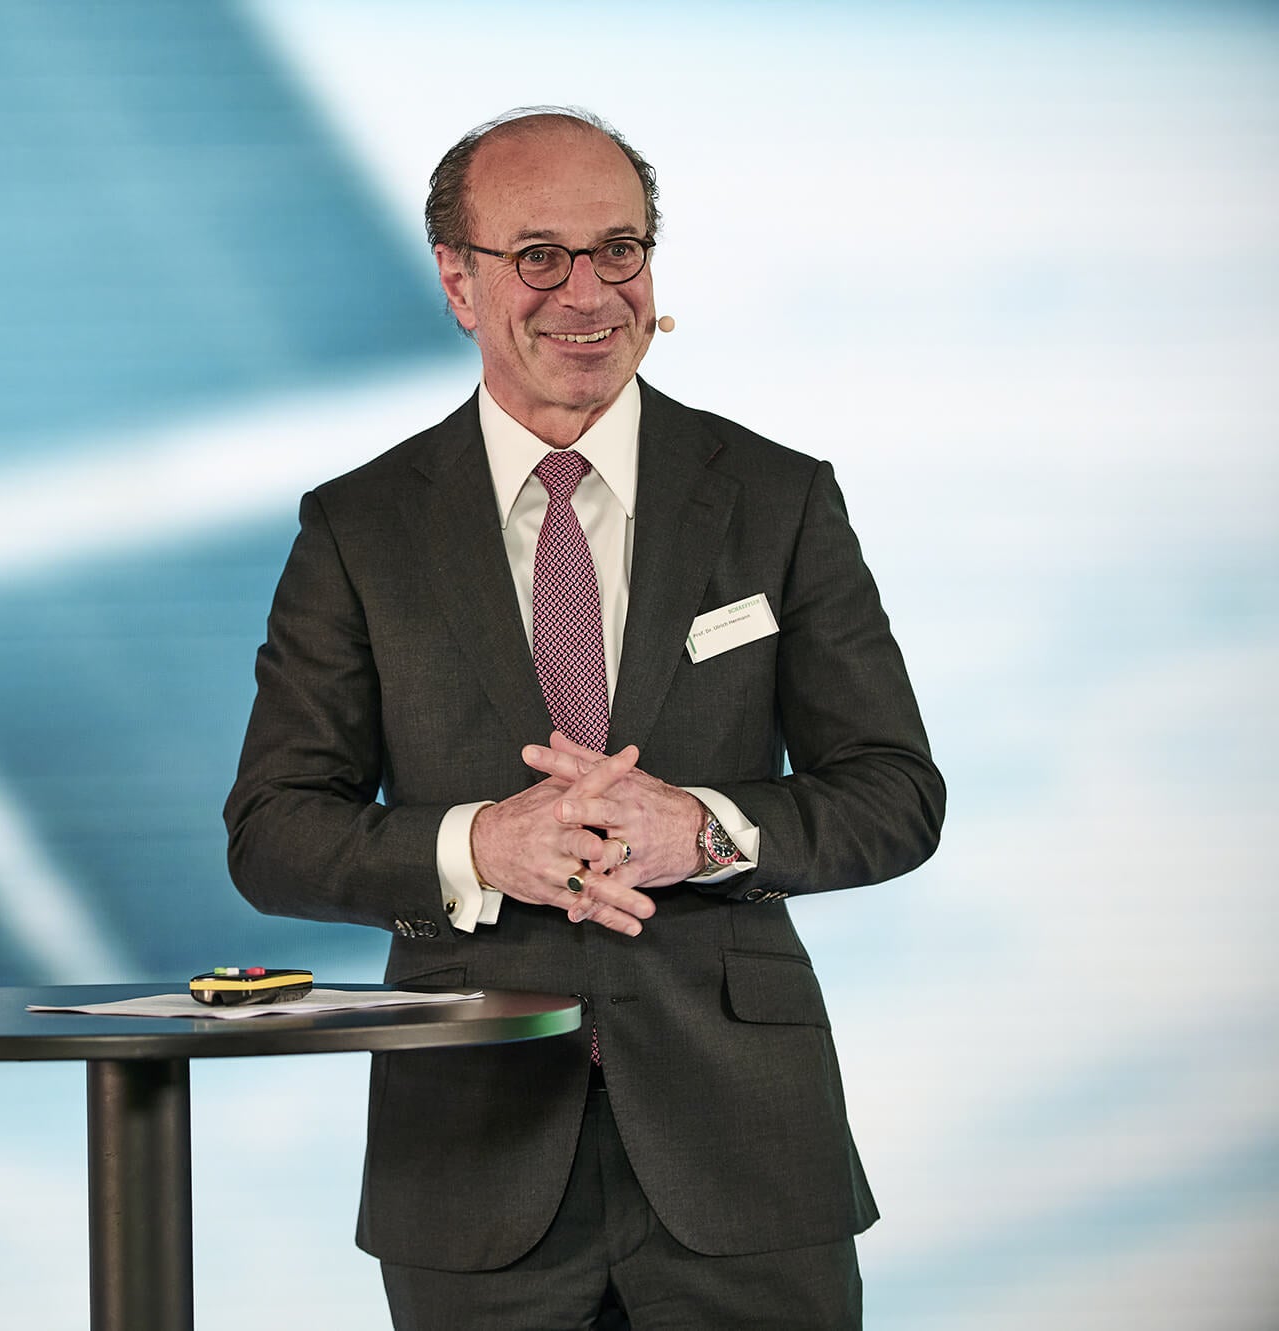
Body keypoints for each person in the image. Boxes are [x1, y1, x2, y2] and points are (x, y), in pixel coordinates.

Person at [223, 107, 946, 1330]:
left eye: (619, 249)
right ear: (457, 279)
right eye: (538, 255)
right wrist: (476, 847)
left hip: (745, 1152)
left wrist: (704, 831)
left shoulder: (776, 497)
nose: (587, 293)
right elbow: (272, 830)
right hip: (470, 1159)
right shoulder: (359, 529)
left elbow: (894, 791)